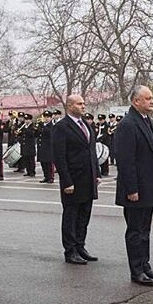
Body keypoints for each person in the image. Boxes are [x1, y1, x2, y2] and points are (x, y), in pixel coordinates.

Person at [115, 85, 153, 287]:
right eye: (147, 98)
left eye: (152, 98)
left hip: (149, 188)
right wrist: (132, 189)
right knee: (135, 231)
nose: (152, 101)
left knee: (145, 230)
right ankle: (136, 271)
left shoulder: (147, 121)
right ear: (136, 101)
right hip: (136, 190)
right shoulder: (128, 124)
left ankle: (145, 266)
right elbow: (125, 160)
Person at [52, 95, 100, 265]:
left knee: (84, 215)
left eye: (84, 103)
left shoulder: (86, 125)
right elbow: (59, 156)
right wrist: (66, 181)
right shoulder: (62, 127)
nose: (83, 106)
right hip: (73, 179)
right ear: (70, 106)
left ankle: (80, 246)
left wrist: (97, 173)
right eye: (79, 104)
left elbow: (92, 151)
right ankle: (70, 250)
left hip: (88, 179)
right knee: (71, 216)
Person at [37, 110, 55, 183]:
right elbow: (37, 134)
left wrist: (42, 127)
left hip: (48, 147)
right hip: (41, 147)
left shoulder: (52, 126)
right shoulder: (41, 125)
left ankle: (51, 177)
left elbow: (49, 133)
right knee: (43, 163)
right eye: (45, 117)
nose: (46, 118)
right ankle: (46, 176)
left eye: (48, 117)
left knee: (49, 163)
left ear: (51, 118)